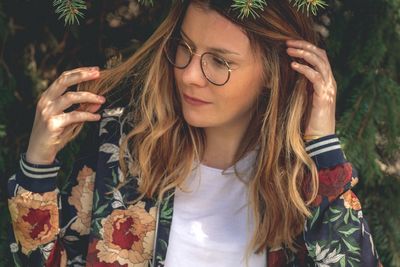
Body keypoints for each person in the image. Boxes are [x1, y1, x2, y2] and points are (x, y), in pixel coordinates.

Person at [7, 0, 381, 266]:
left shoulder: (302, 186)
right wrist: (38, 164)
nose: (188, 74)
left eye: (219, 61)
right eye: (185, 48)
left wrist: (324, 149)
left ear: (273, 73)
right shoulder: (122, 150)